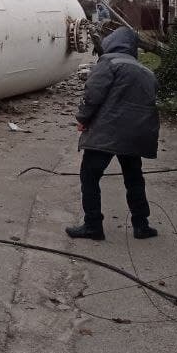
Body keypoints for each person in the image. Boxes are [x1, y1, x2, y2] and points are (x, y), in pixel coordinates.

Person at [66, 26, 159, 241]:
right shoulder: (146, 72)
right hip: (136, 135)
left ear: (111, 43)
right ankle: (141, 225)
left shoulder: (109, 62)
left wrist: (82, 118)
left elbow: (93, 92)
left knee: (89, 176)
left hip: (108, 132)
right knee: (134, 178)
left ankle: (92, 225)